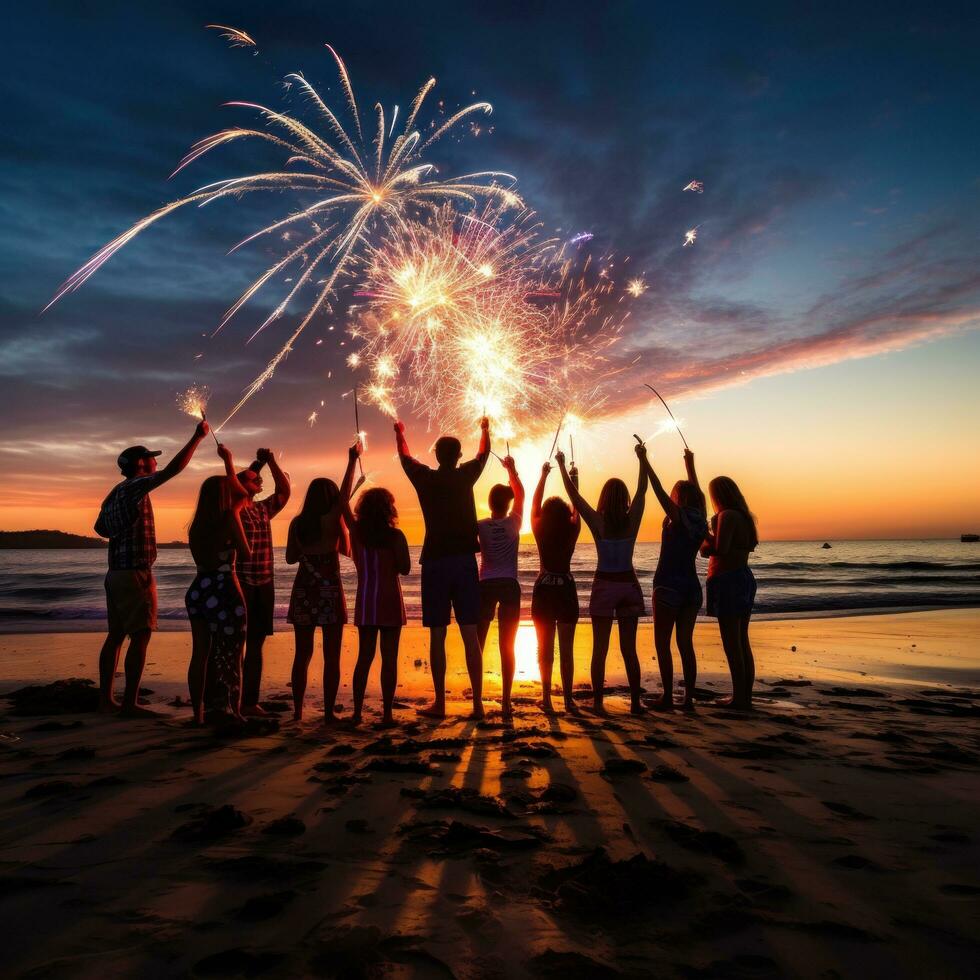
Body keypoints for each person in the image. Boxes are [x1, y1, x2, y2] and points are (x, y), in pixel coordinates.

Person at [94, 420, 209, 716]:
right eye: (151, 457)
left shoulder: (115, 492)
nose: (156, 461)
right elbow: (173, 470)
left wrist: (122, 526)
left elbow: (99, 528)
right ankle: (130, 703)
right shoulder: (134, 487)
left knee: (115, 636)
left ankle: (106, 699)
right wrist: (197, 437)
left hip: (115, 573)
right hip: (135, 573)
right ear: (141, 464)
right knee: (141, 635)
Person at [396, 416, 490, 719]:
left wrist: (400, 432)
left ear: (436, 455)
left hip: (435, 561)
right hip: (464, 561)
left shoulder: (426, 478)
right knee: (470, 633)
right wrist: (485, 430)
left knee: (437, 634)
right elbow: (484, 454)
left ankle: (440, 702)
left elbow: (405, 457)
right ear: (458, 456)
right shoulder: (465, 476)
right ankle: (477, 705)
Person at [556, 443, 648, 715]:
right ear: (625, 499)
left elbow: (574, 496)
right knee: (629, 650)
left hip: (605, 585)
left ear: (605, 498)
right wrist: (642, 459)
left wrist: (563, 467)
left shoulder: (598, 521)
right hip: (629, 586)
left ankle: (598, 703)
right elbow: (643, 490)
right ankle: (634, 703)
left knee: (600, 649)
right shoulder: (633, 519)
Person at [285, 446, 358, 722]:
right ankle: (328, 713)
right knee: (331, 655)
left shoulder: (296, 523)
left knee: (302, 654)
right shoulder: (332, 519)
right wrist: (352, 460)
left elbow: (290, 558)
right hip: (329, 590)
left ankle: (298, 711)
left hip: (303, 588)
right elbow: (344, 499)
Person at [185, 446, 251, 725]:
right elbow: (246, 553)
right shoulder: (228, 518)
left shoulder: (197, 524)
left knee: (200, 652)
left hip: (199, 588)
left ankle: (198, 713)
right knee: (233, 651)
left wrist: (229, 461)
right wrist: (230, 461)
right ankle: (234, 709)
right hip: (224, 588)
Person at [342, 467, 411, 727]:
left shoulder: (357, 533)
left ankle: (357, 712)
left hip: (367, 600)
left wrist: (351, 464)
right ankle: (387, 714)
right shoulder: (395, 536)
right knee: (389, 658)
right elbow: (404, 568)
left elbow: (341, 502)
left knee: (364, 657)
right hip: (390, 599)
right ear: (388, 510)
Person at [639, 448, 708, 710]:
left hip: (668, 585)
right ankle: (688, 698)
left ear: (678, 498)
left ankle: (667, 697)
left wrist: (645, 461)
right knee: (685, 644)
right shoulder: (700, 518)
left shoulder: (677, 516)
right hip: (691, 587)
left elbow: (657, 491)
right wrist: (690, 464)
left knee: (663, 644)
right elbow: (699, 496)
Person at [235, 449, 291, 716]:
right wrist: (255, 465)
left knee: (256, 644)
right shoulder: (232, 511)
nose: (259, 481)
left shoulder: (261, 510)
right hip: (240, 582)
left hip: (263, 583)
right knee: (235, 644)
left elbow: (284, 491)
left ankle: (249, 701)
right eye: (253, 479)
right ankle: (231, 698)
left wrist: (268, 462)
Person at [701, 476, 759, 710]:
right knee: (742, 641)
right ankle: (745, 695)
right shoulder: (745, 517)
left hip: (728, 580)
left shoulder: (727, 516)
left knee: (732, 643)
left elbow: (720, 549)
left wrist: (703, 533)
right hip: (743, 577)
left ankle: (739, 698)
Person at [530, 459, 582, 715]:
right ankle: (570, 699)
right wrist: (573, 478)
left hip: (544, 589)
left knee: (545, 648)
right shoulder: (572, 529)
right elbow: (577, 507)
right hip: (566, 588)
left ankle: (547, 698)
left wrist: (542, 476)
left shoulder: (539, 528)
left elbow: (534, 506)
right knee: (567, 649)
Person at [476, 456, 525, 718]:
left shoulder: (481, 525)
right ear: (507, 505)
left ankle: (478, 699)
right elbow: (521, 493)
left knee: (480, 642)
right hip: (509, 584)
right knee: (508, 645)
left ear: (490, 502)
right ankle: (506, 701)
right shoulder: (514, 522)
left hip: (486, 584)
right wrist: (511, 469)